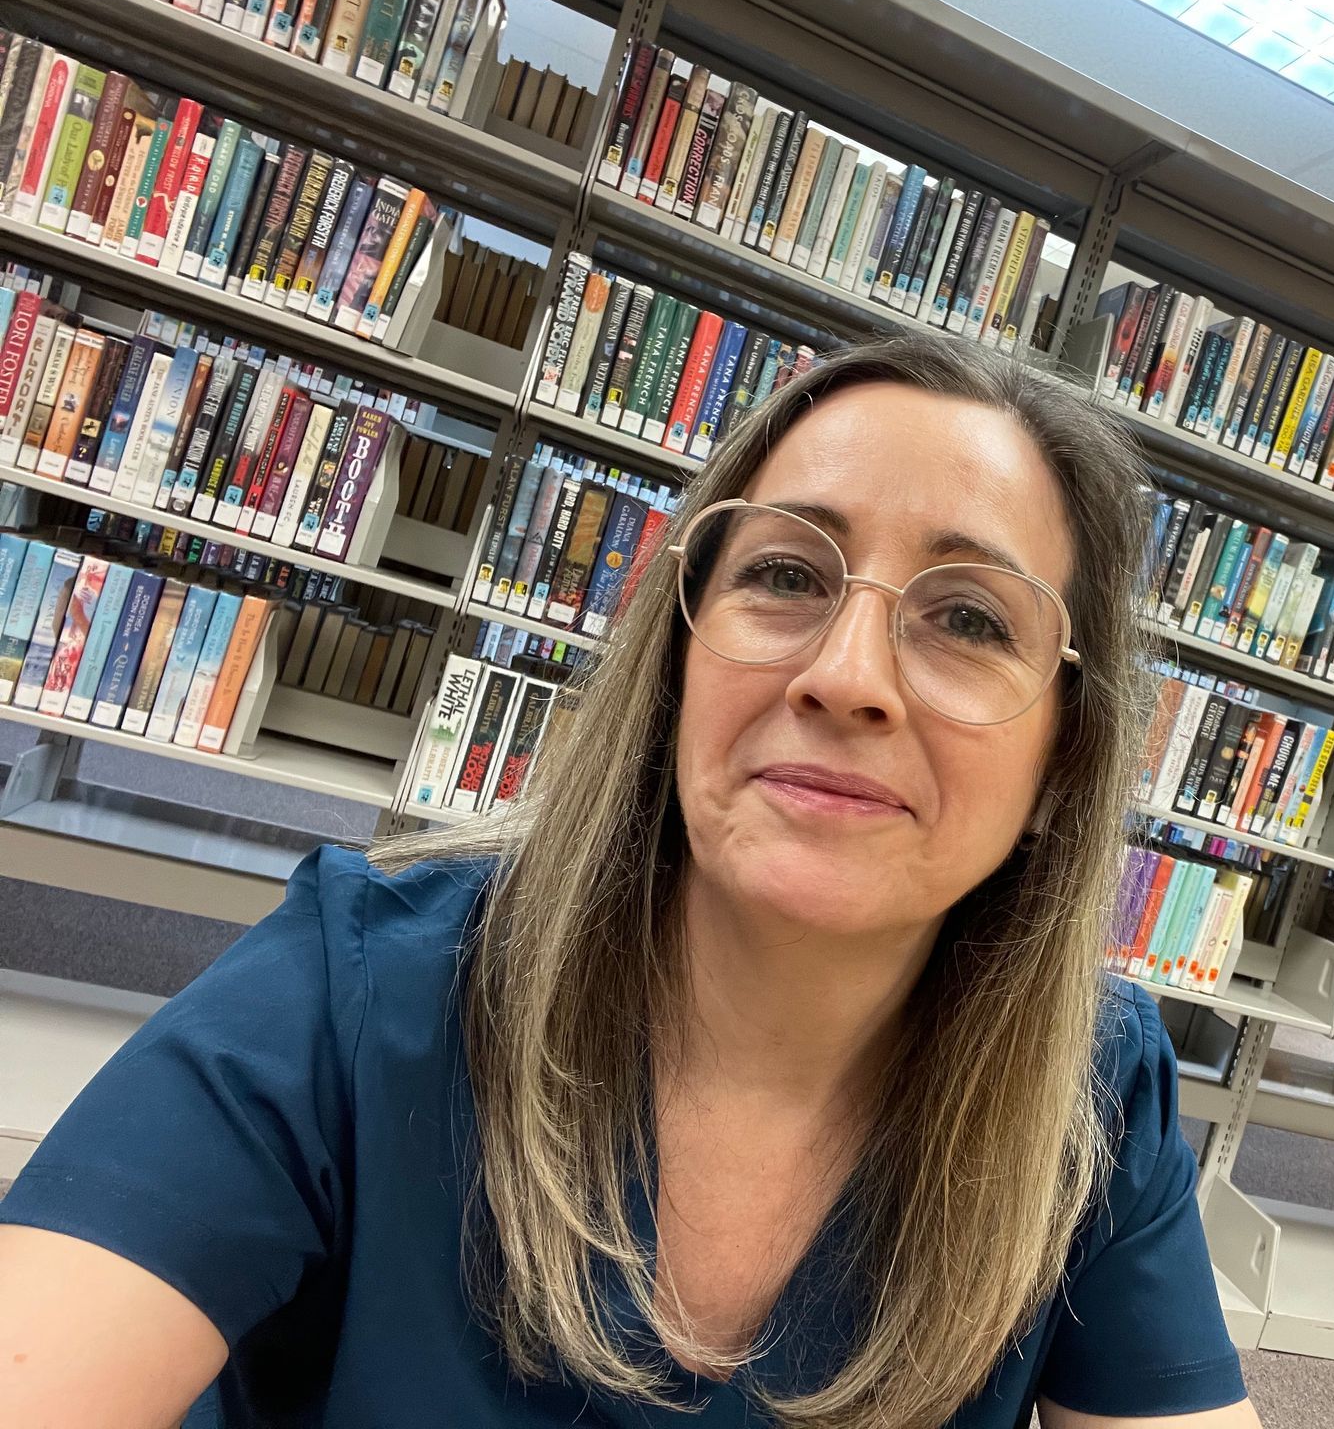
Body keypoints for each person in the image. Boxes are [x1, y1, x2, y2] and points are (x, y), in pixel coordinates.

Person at [0, 335, 1260, 1428]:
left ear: (1063, 760)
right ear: (677, 659)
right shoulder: (361, 989)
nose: (846, 676)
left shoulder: (1093, 1091)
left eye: (971, 620)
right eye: (785, 576)